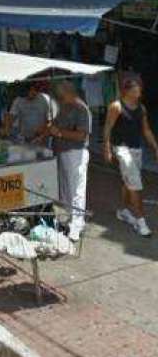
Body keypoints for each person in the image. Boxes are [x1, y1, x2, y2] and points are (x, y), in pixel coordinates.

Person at [103, 79, 158, 237]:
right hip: (121, 149)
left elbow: (146, 130)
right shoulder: (116, 106)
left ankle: (125, 211)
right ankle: (141, 223)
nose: (139, 93)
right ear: (127, 91)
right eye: (136, 90)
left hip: (136, 149)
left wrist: (155, 147)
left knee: (129, 182)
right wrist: (106, 148)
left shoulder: (141, 108)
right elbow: (107, 127)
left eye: (140, 90)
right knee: (135, 183)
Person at [45, 81, 92, 242]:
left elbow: (81, 135)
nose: (59, 98)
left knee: (76, 190)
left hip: (75, 153)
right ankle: (68, 219)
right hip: (63, 152)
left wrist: (58, 132)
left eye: (61, 94)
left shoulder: (81, 109)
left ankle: (77, 224)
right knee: (65, 188)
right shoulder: (65, 107)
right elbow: (55, 126)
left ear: (68, 92)